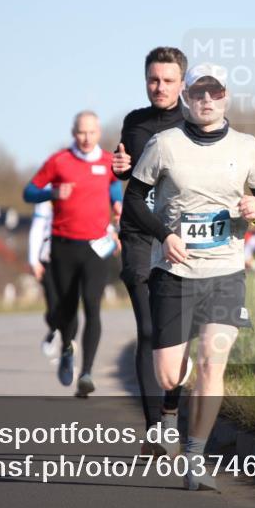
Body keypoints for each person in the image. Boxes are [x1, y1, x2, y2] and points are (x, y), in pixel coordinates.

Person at [124, 63, 255, 490]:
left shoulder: (247, 146)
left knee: (215, 364)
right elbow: (133, 201)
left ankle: (195, 456)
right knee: (169, 375)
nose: (206, 100)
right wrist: (164, 234)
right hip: (174, 272)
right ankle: (171, 409)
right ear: (187, 98)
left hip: (226, 272)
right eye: (198, 93)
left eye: (214, 92)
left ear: (226, 96)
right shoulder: (164, 144)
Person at [112, 46, 190, 454]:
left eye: (167, 80)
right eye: (153, 79)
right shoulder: (134, 122)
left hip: (180, 236)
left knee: (173, 334)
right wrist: (119, 170)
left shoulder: (194, 122)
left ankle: (172, 409)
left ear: (182, 83)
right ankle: (155, 430)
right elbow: (124, 169)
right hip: (140, 233)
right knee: (147, 328)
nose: (159, 87)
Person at [24, 111, 120, 397]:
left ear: (99, 133)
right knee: (66, 309)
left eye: (91, 132)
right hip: (64, 245)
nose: (86, 138)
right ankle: (67, 347)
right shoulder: (59, 161)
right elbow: (29, 192)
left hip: (96, 246)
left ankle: (87, 372)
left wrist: (117, 204)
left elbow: (114, 185)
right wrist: (51, 193)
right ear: (73, 132)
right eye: (81, 132)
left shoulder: (107, 161)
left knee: (92, 305)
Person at [26, 181, 123, 357]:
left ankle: (68, 342)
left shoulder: (83, 190)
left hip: (77, 256)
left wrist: (112, 235)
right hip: (50, 258)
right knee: (54, 305)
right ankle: (54, 328)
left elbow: (94, 220)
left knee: (72, 303)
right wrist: (34, 261)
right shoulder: (48, 194)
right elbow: (37, 228)